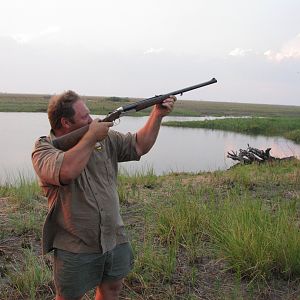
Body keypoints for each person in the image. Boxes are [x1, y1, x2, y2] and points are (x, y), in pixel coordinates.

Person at [31, 90, 176, 300]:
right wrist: (91, 137)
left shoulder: (103, 138)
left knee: (112, 288)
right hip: (75, 244)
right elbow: (66, 171)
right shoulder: (44, 149)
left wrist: (157, 114)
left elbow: (139, 145)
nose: (91, 120)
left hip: (113, 236)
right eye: (84, 117)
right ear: (65, 122)